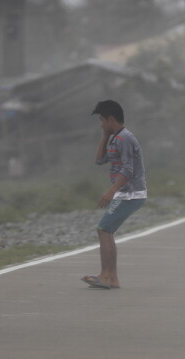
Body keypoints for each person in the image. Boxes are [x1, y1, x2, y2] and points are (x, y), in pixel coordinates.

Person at [82, 100, 147, 289]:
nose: (101, 124)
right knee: (106, 230)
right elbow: (100, 160)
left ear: (111, 119)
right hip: (125, 193)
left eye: (102, 120)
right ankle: (112, 279)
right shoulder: (114, 137)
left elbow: (128, 169)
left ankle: (106, 276)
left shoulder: (124, 138)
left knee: (104, 229)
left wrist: (111, 191)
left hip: (130, 194)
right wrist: (105, 134)